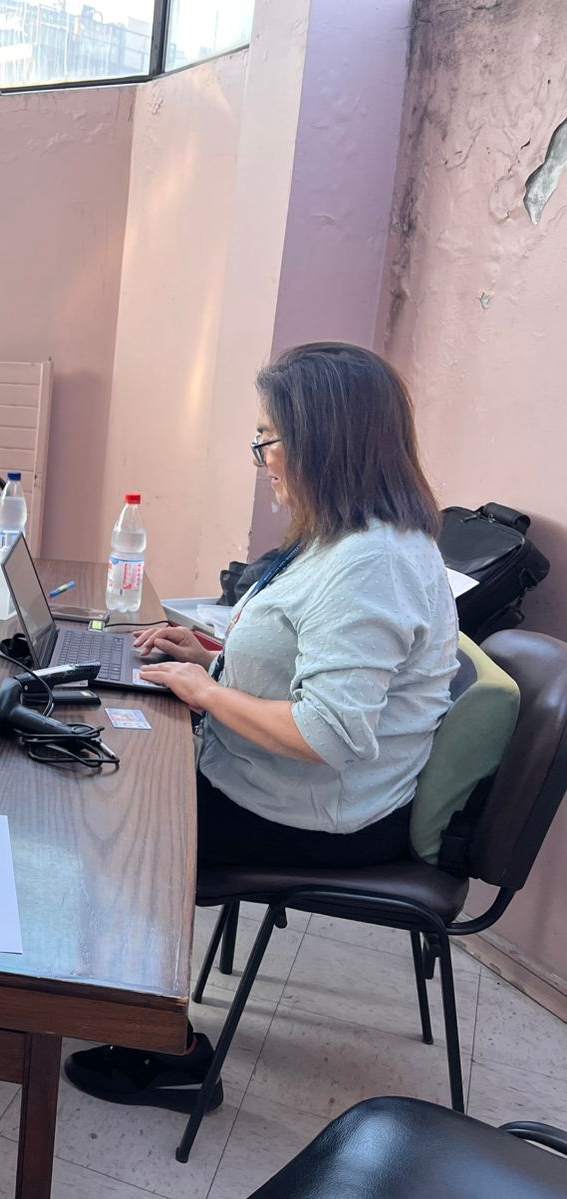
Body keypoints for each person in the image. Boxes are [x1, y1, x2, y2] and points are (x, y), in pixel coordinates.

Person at [65, 342, 459, 1113]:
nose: (263, 460)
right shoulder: (349, 540)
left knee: (111, 816)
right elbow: (310, 664)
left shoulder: (370, 563)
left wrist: (204, 693)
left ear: (323, 442)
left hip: (317, 817)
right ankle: (101, 988)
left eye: (268, 439)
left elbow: (330, 733)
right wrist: (211, 657)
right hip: (279, 784)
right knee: (109, 762)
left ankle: (167, 1050)